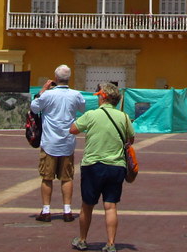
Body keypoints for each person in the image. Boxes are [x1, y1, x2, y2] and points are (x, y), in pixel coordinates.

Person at [69, 82, 134, 252]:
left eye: (99, 96)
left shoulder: (91, 115)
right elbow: (131, 139)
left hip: (93, 165)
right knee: (111, 205)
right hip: (116, 166)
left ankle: (82, 239)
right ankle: (111, 243)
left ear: (103, 97)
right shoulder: (124, 117)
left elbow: (73, 130)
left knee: (87, 204)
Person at [29, 64, 86, 222]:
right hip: (67, 142)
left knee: (47, 177)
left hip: (49, 142)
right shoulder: (76, 95)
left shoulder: (48, 95)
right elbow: (82, 107)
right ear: (69, 78)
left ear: (55, 79)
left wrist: (43, 91)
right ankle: (67, 210)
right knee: (67, 177)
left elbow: (34, 107)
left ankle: (46, 210)